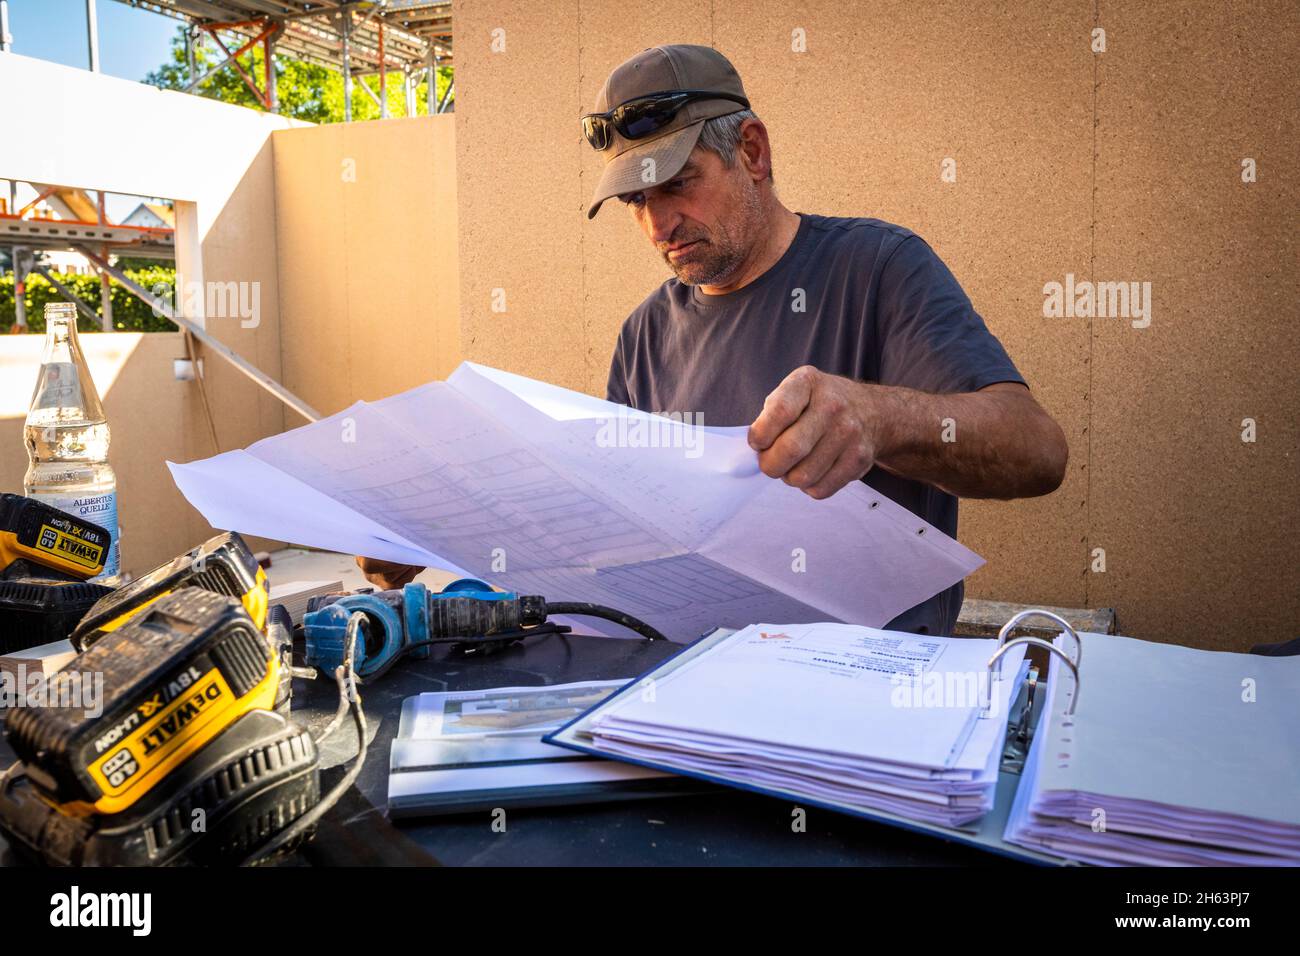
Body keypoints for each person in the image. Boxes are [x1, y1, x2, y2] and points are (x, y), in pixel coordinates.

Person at [360, 44, 1068, 636]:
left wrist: (881, 420)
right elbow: (620, 536)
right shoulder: (644, 335)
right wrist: (441, 537)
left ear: (752, 151)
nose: (658, 223)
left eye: (676, 184)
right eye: (636, 201)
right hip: (691, 694)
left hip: (871, 700)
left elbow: (1037, 452)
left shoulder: (879, 269)